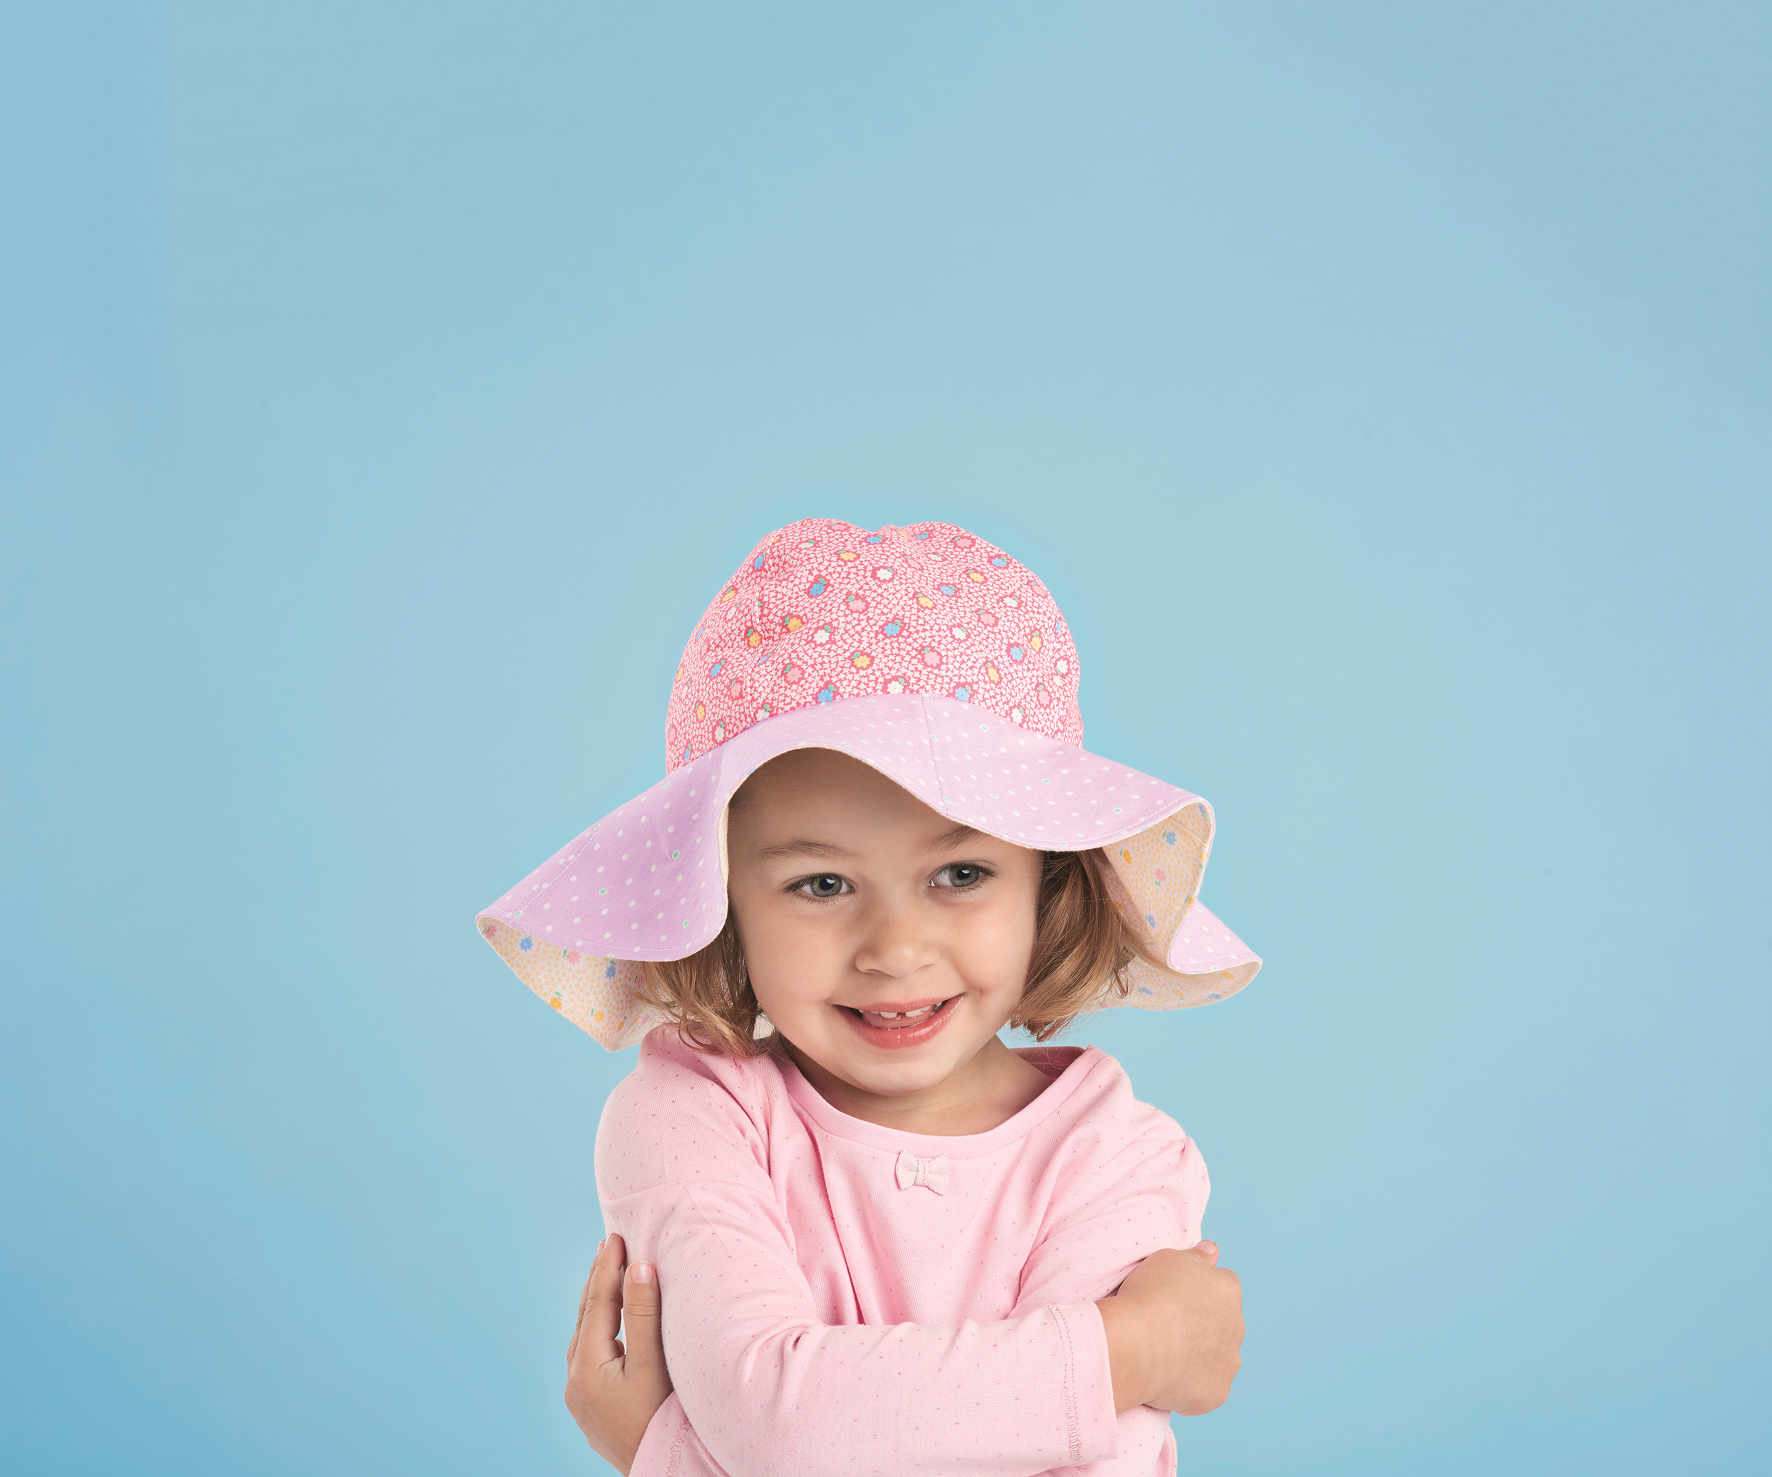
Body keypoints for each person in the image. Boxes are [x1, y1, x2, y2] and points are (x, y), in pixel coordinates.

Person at [475, 519, 1262, 1475]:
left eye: (961, 873)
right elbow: (780, 1421)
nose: (895, 950)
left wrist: (665, 1452)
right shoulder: (694, 1113)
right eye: (821, 883)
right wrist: (1128, 1348)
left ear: (1049, 882)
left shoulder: (1119, 1157)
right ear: (719, 900)